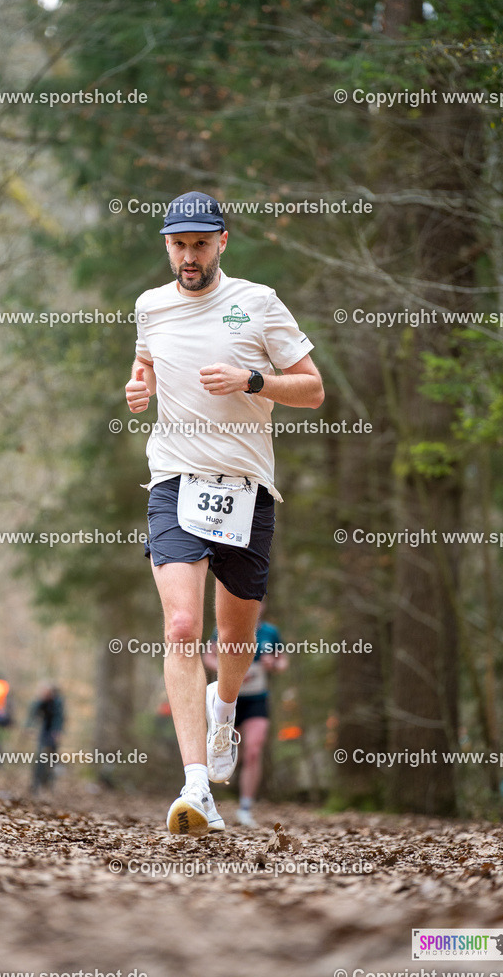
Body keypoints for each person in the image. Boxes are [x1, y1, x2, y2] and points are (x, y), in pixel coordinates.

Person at [125, 191, 324, 835]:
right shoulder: (150, 306)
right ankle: (194, 788)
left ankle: (225, 706)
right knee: (182, 625)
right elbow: (147, 360)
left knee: (235, 642)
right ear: (167, 246)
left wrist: (253, 382)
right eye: (178, 245)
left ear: (222, 242)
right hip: (174, 479)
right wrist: (139, 385)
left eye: (200, 244)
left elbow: (316, 391)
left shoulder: (258, 303)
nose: (189, 256)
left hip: (246, 486)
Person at [204, 599, 287, 827]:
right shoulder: (224, 627)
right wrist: (231, 670)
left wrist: (273, 664)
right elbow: (209, 656)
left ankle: (245, 807)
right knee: (219, 748)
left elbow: (283, 662)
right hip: (229, 698)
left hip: (257, 699)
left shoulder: (271, 632)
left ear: (263, 606)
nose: (255, 607)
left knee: (253, 750)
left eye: (259, 603)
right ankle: (204, 801)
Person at [27, 681, 65, 794]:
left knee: (52, 757)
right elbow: (33, 713)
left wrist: (57, 732)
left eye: (46, 691)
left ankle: (49, 781)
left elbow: (59, 718)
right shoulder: (41, 701)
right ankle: (36, 783)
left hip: (54, 732)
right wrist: (29, 727)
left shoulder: (58, 702)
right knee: (40, 756)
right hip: (44, 732)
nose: (44, 694)